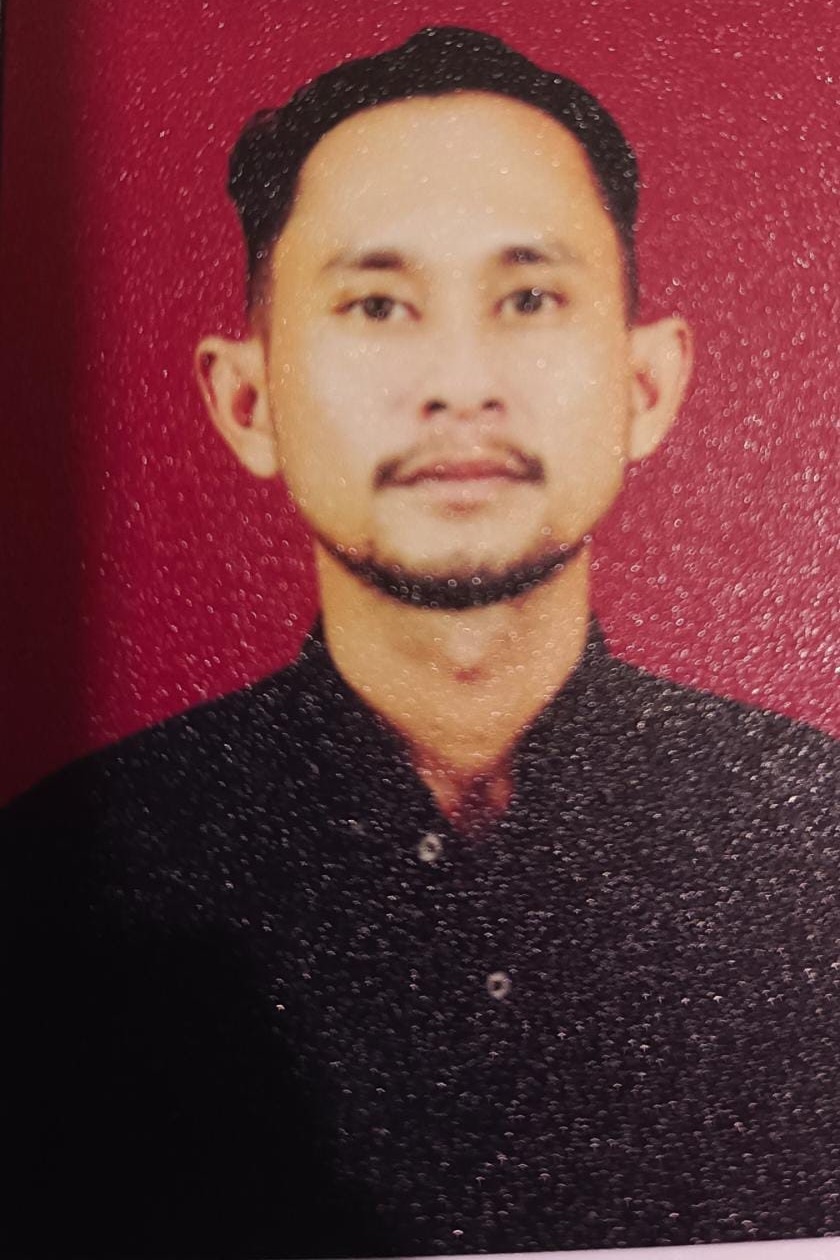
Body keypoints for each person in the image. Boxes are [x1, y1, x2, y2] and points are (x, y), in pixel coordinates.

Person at [4, 26, 838, 1260]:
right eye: (378, 304)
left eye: (529, 297)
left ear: (647, 385)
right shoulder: (56, 887)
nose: (460, 384)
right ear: (248, 399)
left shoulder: (817, 835)